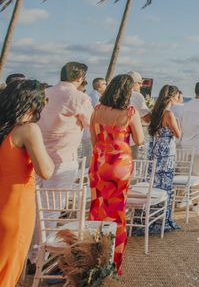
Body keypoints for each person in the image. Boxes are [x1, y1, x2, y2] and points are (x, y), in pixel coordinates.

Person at [29, 62, 93, 263]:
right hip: (62, 160)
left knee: (34, 208)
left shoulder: (44, 93)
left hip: (36, 157)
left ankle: (29, 252)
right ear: (80, 78)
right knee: (50, 211)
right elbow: (92, 123)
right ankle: (39, 257)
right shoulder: (79, 97)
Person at [88, 74, 144, 274]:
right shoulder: (129, 112)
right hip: (119, 166)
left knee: (97, 208)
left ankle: (94, 257)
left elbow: (93, 139)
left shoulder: (97, 110)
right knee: (117, 212)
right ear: (127, 92)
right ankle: (113, 260)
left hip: (98, 164)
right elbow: (139, 140)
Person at [0, 80, 54, 287]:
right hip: (16, 209)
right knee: (7, 272)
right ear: (33, 104)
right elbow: (46, 171)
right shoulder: (28, 130)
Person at [146, 85, 182, 233]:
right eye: (177, 96)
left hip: (154, 152)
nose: (179, 99)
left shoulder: (154, 112)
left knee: (154, 184)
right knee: (165, 186)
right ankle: (163, 220)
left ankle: (151, 217)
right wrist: (178, 122)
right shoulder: (169, 114)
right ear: (172, 97)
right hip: (166, 155)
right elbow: (178, 134)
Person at [126, 71, 151, 159]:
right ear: (133, 83)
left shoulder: (112, 95)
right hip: (129, 139)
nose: (141, 86)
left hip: (110, 139)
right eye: (140, 83)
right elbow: (147, 119)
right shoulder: (136, 96)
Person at [82, 77, 107, 163]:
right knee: (89, 159)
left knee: (88, 157)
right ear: (99, 86)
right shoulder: (95, 97)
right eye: (105, 84)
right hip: (90, 133)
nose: (106, 86)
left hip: (89, 132)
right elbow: (99, 115)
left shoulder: (95, 96)